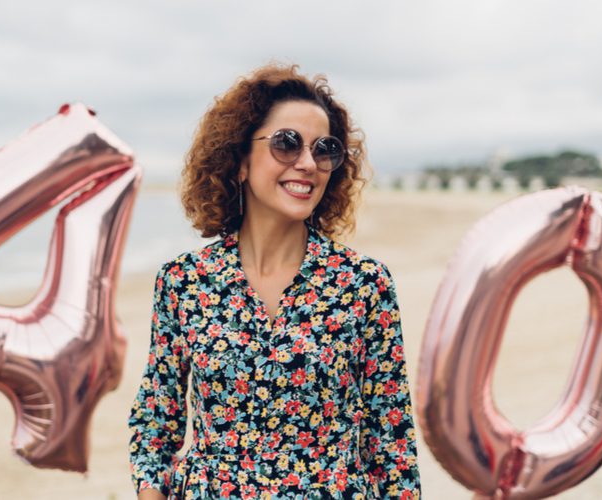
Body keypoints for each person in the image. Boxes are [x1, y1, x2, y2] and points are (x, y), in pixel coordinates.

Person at [128, 63, 421, 499]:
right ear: (240, 159)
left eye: (324, 149)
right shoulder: (183, 282)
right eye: (287, 144)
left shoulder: (365, 285)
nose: (307, 163)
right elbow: (156, 426)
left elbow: (393, 448)